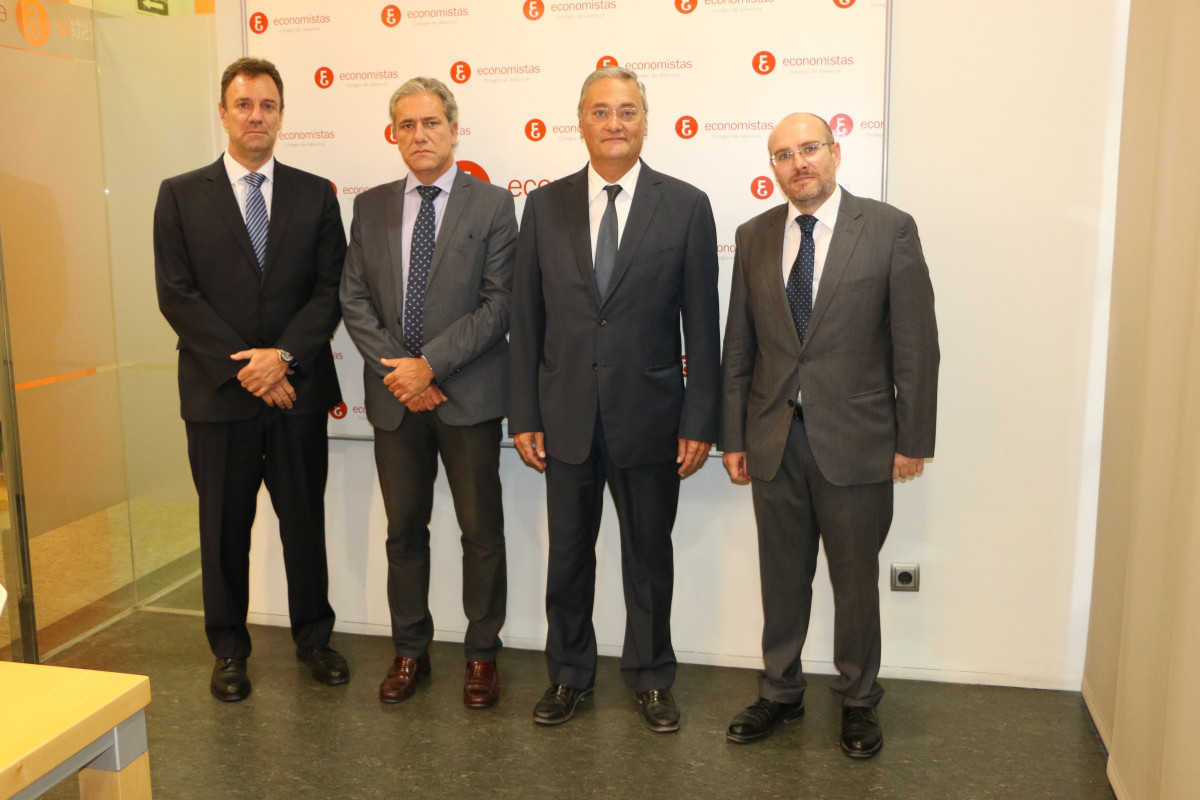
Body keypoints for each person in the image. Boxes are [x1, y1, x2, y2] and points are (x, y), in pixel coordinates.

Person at [508, 66, 720, 733]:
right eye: (601, 111)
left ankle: (652, 678)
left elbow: (702, 326)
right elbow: (526, 319)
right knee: (568, 557)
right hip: (564, 416)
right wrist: (525, 414)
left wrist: (700, 419)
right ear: (581, 122)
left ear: (645, 122)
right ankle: (568, 675)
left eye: (627, 111)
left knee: (649, 560)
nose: (614, 123)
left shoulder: (685, 205)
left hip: (651, 417)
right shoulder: (544, 207)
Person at [720, 112, 939, 757]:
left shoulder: (889, 229)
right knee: (781, 578)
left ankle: (859, 700)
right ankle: (780, 691)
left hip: (858, 440)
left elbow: (916, 345)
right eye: (783, 155)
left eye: (809, 148)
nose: (798, 163)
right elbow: (739, 348)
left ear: (835, 152)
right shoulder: (753, 236)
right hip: (773, 440)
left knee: (854, 581)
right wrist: (733, 435)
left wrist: (913, 440)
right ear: (773, 168)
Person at [154, 57, 349, 702]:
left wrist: (282, 357)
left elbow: (330, 290)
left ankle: (314, 639)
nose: (255, 116)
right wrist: (250, 368)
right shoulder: (180, 195)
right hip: (218, 397)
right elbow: (177, 295)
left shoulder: (316, 194)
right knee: (223, 530)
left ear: (282, 115)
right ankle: (229, 651)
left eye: (267, 105)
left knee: (304, 524)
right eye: (243, 105)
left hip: (296, 394)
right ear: (224, 113)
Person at [340, 77, 516, 708]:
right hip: (396, 401)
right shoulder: (370, 207)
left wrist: (430, 367)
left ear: (453, 130)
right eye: (407, 125)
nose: (420, 135)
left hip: (467, 396)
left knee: (480, 533)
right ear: (394, 134)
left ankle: (482, 654)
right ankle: (410, 650)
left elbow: (499, 305)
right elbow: (354, 299)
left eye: (431, 122)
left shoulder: (492, 205)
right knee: (404, 533)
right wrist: (404, 374)